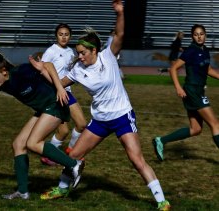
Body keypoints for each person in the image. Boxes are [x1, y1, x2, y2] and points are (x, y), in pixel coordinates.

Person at [29, 1, 171, 210]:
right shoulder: (78, 69)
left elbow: (120, 35)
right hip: (101, 121)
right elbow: (59, 82)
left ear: (93, 50)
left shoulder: (108, 56)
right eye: (77, 52)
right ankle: (61, 188)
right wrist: (43, 70)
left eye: (82, 53)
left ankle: (161, 201)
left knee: (136, 159)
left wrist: (120, 13)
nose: (79, 56)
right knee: (74, 156)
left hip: (122, 116)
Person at [0, 52, 85, 200]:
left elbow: (49, 65)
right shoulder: (4, 83)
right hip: (43, 109)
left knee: (33, 143)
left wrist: (60, 88)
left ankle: (73, 165)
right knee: (18, 144)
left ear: (4, 71)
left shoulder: (22, 71)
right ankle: (22, 191)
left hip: (55, 105)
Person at [153, 24, 219, 162]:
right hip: (192, 91)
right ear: (192, 36)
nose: (199, 36)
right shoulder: (190, 51)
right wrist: (178, 88)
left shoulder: (205, 50)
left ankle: (160, 141)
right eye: (196, 34)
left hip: (197, 91)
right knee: (215, 124)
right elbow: (173, 69)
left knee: (195, 129)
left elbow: (208, 70)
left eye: (201, 34)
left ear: (205, 35)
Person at [39, 23, 87, 166]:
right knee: (64, 131)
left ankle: (71, 150)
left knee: (82, 124)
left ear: (70, 36)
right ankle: (48, 155)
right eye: (61, 34)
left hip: (67, 92)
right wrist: (55, 86)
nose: (64, 37)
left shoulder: (71, 52)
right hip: (54, 93)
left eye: (66, 34)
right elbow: (43, 70)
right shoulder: (51, 51)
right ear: (56, 36)